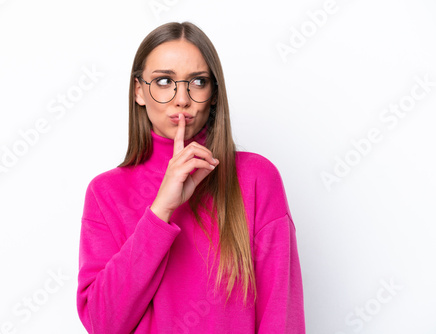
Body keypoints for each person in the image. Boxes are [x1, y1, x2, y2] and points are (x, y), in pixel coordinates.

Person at [76, 21, 305, 334]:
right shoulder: (106, 193)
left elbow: (282, 316)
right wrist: (160, 211)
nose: (181, 98)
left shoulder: (256, 178)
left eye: (197, 81)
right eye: (163, 81)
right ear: (139, 91)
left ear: (213, 94)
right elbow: (104, 324)